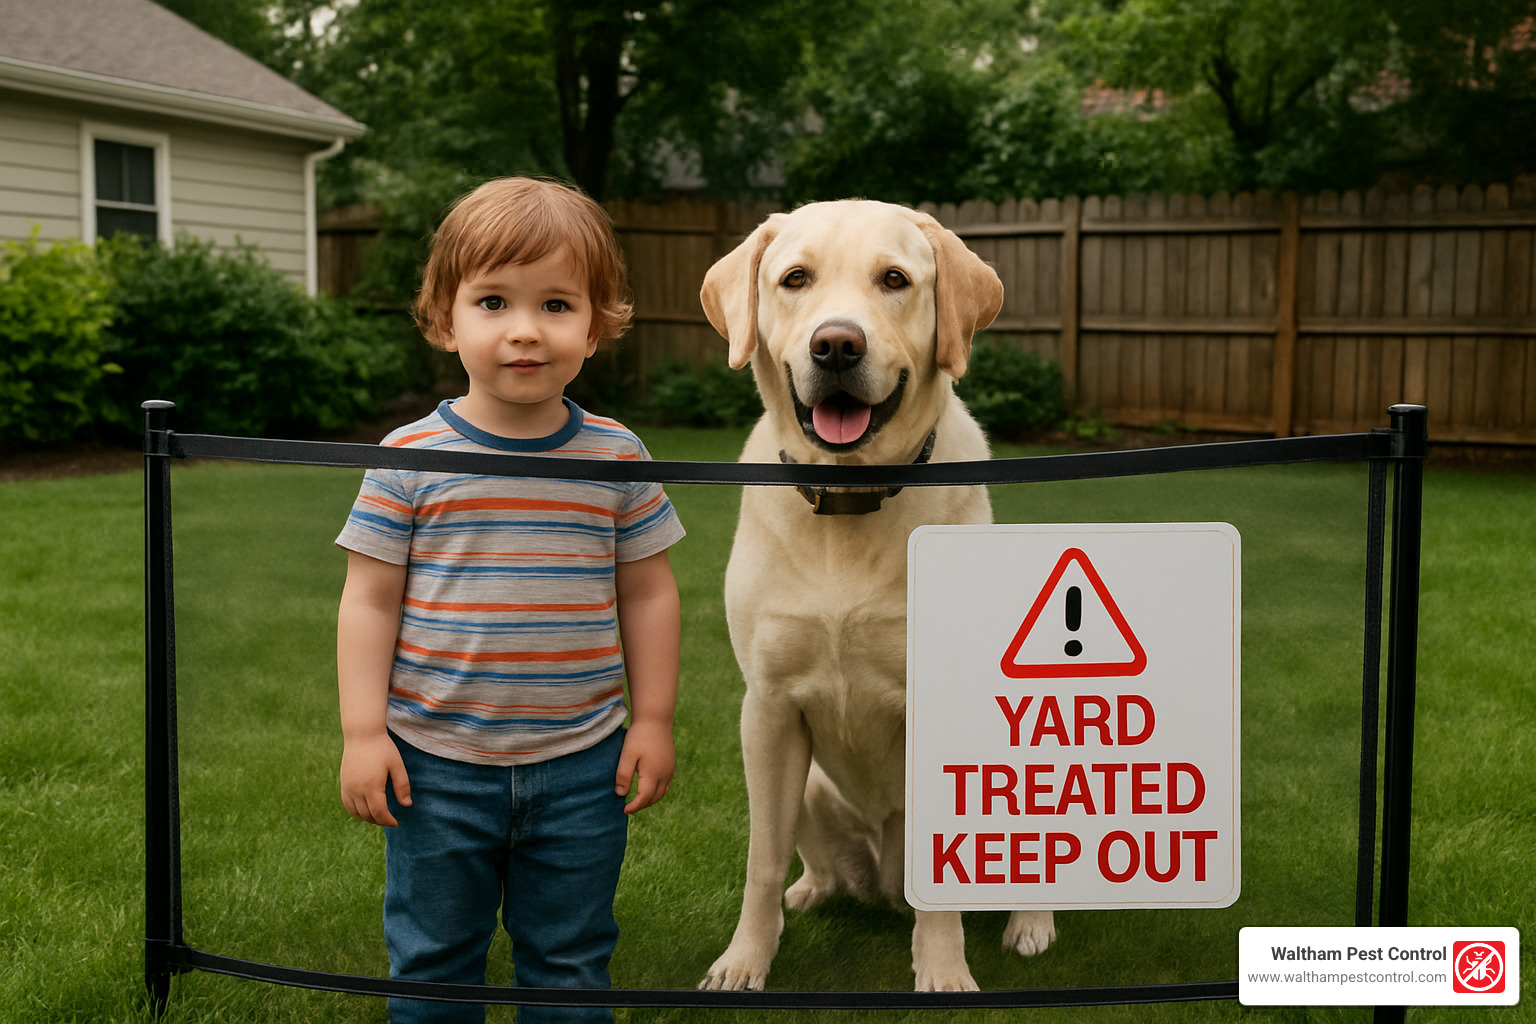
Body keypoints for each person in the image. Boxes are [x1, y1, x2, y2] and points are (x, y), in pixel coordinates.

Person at [334, 176, 685, 1024]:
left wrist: (653, 720)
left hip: (582, 765)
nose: (525, 330)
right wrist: (362, 732)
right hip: (435, 768)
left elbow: (648, 589)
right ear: (443, 320)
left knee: (569, 964)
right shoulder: (410, 455)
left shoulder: (616, 455)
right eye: (493, 301)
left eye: (557, 304)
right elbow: (368, 600)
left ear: (596, 326)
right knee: (433, 964)